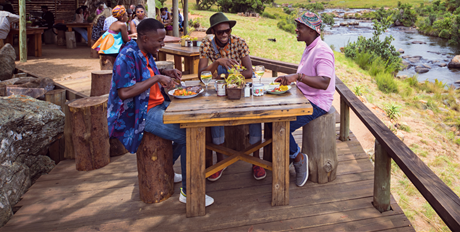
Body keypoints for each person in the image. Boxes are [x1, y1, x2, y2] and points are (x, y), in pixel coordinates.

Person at [107, 18, 214, 206]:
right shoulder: (127, 56)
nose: (162, 44)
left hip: (158, 104)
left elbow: (147, 75)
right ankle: (189, 193)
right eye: (159, 41)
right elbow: (124, 92)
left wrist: (168, 73)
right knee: (189, 136)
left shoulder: (145, 52)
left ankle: (166, 167)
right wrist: (157, 77)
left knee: (195, 123)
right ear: (144, 37)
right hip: (140, 113)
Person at [197, 12, 266, 181]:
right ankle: (220, 162)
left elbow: (249, 72)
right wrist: (217, 63)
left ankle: (256, 160)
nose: (224, 34)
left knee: (256, 114)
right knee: (215, 117)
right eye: (220, 32)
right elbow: (201, 75)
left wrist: (234, 73)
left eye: (227, 30)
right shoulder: (206, 44)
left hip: (240, 88)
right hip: (219, 91)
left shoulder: (239, 43)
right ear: (213, 31)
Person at [275, 11, 335, 187]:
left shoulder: (322, 51)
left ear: (311, 30)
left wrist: (297, 77)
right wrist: (291, 79)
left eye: (300, 27)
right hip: (303, 96)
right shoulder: (310, 47)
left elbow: (324, 82)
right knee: (274, 117)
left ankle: (298, 158)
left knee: (281, 127)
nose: (296, 30)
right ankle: (286, 155)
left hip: (316, 102)